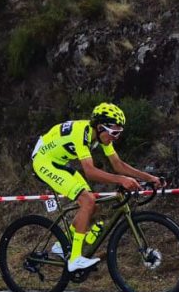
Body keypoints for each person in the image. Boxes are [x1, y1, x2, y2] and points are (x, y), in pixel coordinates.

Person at [32, 102, 164, 272]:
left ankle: (61, 244)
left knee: (91, 204)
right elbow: (90, 172)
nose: (116, 137)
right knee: (87, 201)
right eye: (114, 132)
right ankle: (75, 260)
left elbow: (118, 164)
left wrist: (150, 178)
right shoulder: (82, 134)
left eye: (119, 132)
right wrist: (121, 180)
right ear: (101, 127)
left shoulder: (101, 136)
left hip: (58, 162)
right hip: (44, 161)